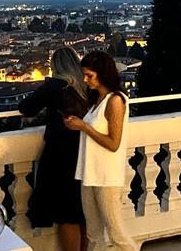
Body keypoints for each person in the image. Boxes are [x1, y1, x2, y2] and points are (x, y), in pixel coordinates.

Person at [64, 51, 137, 251]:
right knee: (93, 233)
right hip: (90, 173)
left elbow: (114, 143)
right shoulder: (98, 100)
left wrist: (83, 127)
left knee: (116, 233)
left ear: (103, 74)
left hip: (106, 176)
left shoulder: (115, 101)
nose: (85, 80)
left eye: (89, 75)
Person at [18, 47, 89, 251]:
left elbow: (27, 108)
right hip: (86, 151)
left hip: (61, 155)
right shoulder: (87, 86)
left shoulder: (55, 86)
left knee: (67, 213)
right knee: (82, 211)